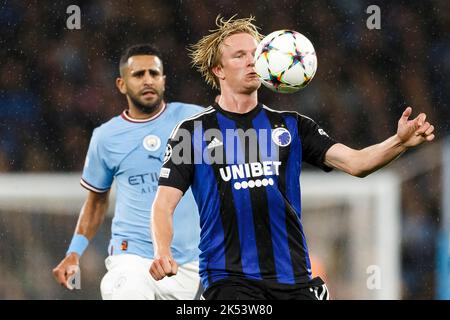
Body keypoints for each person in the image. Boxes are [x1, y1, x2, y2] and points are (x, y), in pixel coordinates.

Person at [149, 16, 435, 300]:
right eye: (239, 56)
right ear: (218, 70)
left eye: (255, 54)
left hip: (295, 278)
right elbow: (163, 205)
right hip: (229, 280)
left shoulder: (292, 125)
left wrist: (399, 142)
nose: (252, 61)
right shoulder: (192, 132)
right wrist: (163, 251)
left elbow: (356, 163)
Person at [52, 44, 204, 300]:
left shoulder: (195, 120)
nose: (147, 80)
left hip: (190, 261)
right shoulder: (105, 137)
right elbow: (96, 202)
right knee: (127, 290)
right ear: (122, 84)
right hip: (132, 255)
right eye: (138, 74)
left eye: (154, 74)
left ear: (163, 81)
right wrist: (74, 252)